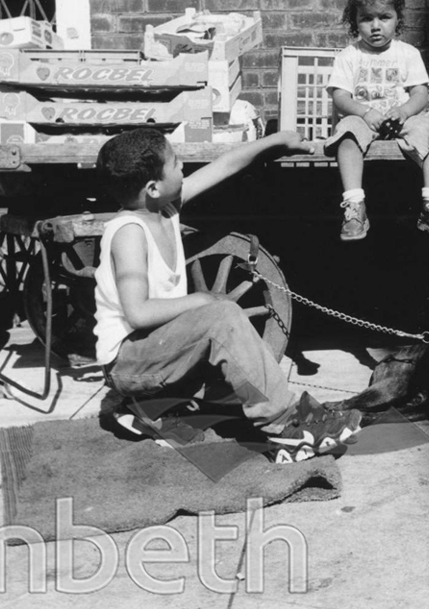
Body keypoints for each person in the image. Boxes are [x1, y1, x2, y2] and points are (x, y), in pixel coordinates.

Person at [93, 127, 365, 463]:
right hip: (129, 361)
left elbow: (227, 165)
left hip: (156, 352)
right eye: (176, 163)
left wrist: (277, 141)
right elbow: (138, 313)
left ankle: (150, 408)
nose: (183, 169)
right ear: (153, 188)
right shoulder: (129, 233)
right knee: (221, 315)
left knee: (230, 355)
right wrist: (202, 300)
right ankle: (285, 425)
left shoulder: (165, 208)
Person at [323, 0, 429, 241]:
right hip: (364, 121)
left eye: (384, 17)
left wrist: (405, 111)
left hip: (401, 121)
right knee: (346, 131)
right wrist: (365, 112)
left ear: (398, 19)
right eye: (366, 19)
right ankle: (354, 205)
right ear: (354, 21)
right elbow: (340, 96)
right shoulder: (349, 55)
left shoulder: (407, 53)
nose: (375, 26)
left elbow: (421, 93)